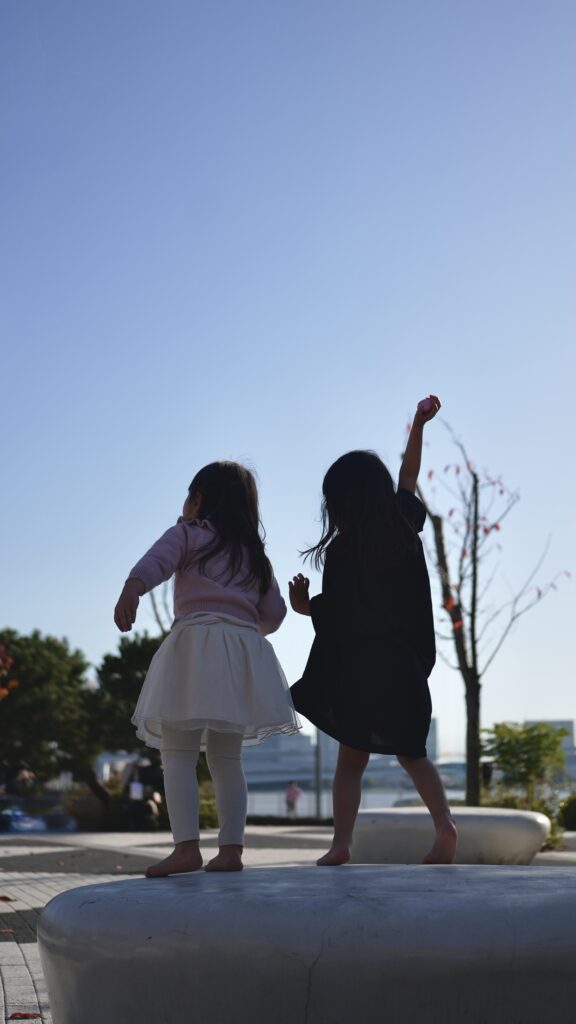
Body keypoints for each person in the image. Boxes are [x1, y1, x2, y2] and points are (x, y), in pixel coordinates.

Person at [289, 397, 457, 866]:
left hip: (363, 673)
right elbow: (409, 475)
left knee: (350, 762)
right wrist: (418, 425)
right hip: (404, 668)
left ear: (340, 503)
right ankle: (445, 825)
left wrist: (306, 607)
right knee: (414, 755)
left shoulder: (343, 552)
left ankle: (341, 843)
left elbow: (343, 615)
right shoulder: (403, 525)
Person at [114, 461, 300, 875]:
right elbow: (274, 613)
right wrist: (243, 630)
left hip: (195, 646)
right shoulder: (254, 555)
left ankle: (186, 848)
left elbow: (157, 562)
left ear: (197, 500)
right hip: (241, 652)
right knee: (227, 758)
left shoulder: (188, 533)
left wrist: (132, 588)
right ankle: (231, 850)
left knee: (178, 752)